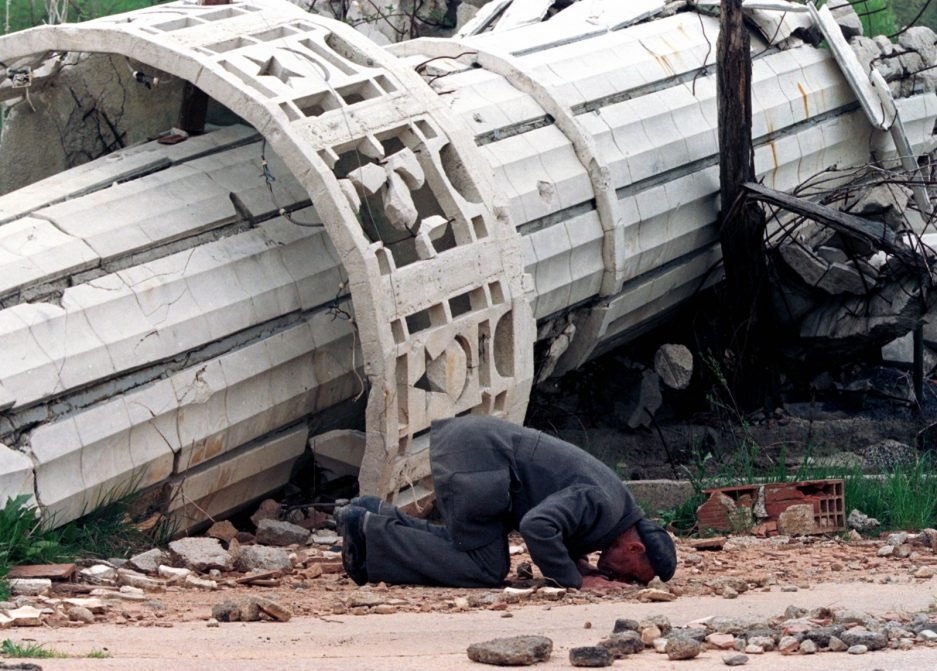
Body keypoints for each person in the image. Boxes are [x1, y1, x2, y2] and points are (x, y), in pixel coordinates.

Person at [336, 415, 676, 589]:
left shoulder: (614, 509)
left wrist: (575, 563)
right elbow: (538, 526)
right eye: (633, 576)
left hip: (479, 452)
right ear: (635, 550)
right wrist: (575, 580)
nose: (622, 580)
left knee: (470, 544)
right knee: (485, 566)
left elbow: (563, 520)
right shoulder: (603, 504)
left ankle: (371, 514)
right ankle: (370, 537)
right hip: (480, 459)